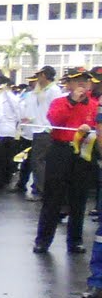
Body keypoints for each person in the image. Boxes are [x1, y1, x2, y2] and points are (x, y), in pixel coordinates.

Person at [33, 69, 99, 256]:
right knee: (53, 198)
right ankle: (43, 240)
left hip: (83, 152)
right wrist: (72, 102)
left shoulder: (94, 105)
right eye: (77, 81)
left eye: (85, 81)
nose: (82, 84)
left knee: (79, 198)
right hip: (61, 149)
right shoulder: (59, 102)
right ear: (68, 84)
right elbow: (54, 119)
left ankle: (75, 240)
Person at [19, 66, 62, 198]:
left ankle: (41, 190)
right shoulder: (41, 90)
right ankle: (40, 188)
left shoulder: (54, 90)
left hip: (45, 129)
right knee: (37, 160)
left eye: (39, 75)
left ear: (44, 75)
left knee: (38, 161)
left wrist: (49, 127)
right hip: (38, 127)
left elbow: (54, 110)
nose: (37, 78)